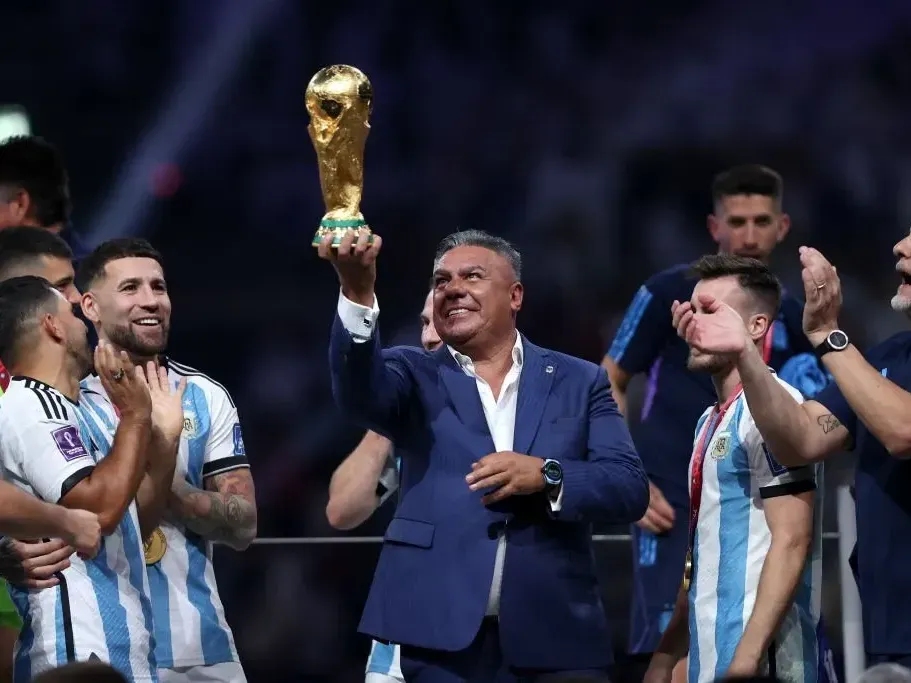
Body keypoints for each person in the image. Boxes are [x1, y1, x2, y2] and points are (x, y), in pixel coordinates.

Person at [320, 228, 649, 682]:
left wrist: (548, 476)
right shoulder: (412, 372)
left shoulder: (580, 380)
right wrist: (358, 293)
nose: (452, 287)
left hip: (558, 636)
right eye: (441, 281)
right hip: (438, 642)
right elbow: (357, 393)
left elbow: (629, 487)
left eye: (472, 276)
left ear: (515, 295)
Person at [600, 165, 819, 677]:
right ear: (713, 226)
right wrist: (630, 475)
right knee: (670, 644)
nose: (747, 235)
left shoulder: (790, 315)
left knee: (755, 634)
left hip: (760, 500)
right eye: (735, 221)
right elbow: (608, 379)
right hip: (673, 500)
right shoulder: (667, 294)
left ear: (782, 227)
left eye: (760, 221)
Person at [669, 235, 911, 670]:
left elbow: (903, 431)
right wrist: (747, 353)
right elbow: (803, 439)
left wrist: (829, 338)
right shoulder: (883, 359)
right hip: (889, 619)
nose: (898, 247)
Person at [73, 238, 255, 682]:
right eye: (131, 288)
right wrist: (158, 449)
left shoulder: (204, 396)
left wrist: (165, 473)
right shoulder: (66, 401)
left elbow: (245, 525)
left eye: (159, 286)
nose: (151, 300)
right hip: (98, 646)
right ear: (91, 306)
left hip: (200, 647)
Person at [643, 255, 820, 683]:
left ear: (757, 326)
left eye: (711, 312)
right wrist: (666, 657)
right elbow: (703, 556)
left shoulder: (776, 409)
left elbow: (792, 540)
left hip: (761, 663)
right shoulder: (710, 420)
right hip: (711, 658)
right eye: (692, 311)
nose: (694, 326)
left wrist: (744, 662)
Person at [0, 275, 185, 681]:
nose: (83, 322)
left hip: (125, 638)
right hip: (77, 644)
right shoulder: (29, 402)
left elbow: (134, 520)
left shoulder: (83, 409)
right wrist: (136, 416)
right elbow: (98, 510)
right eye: (71, 312)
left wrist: (164, 441)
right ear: (52, 325)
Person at [326, 290, 442, 683]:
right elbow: (342, 510)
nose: (431, 337)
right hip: (400, 646)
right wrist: (388, 420)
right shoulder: (412, 429)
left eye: (442, 322)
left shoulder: (515, 414)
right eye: (426, 323)